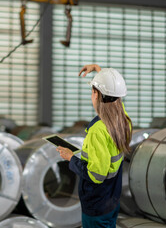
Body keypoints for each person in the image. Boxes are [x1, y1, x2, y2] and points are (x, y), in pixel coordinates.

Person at [56, 64, 132, 228]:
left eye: (93, 91)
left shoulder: (97, 131)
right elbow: (114, 94)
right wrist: (99, 70)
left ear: (96, 95)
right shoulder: (123, 120)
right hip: (112, 198)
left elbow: (96, 175)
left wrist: (70, 158)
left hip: (97, 203)